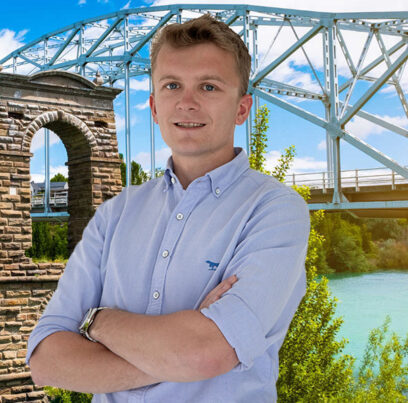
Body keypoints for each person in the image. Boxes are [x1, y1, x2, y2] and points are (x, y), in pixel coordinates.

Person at [26, 14, 310, 402]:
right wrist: (176, 357)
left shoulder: (275, 210)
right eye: (172, 85)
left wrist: (96, 321)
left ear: (242, 109)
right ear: (155, 107)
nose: (187, 103)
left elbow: (205, 352)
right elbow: (45, 362)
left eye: (208, 86)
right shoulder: (114, 214)